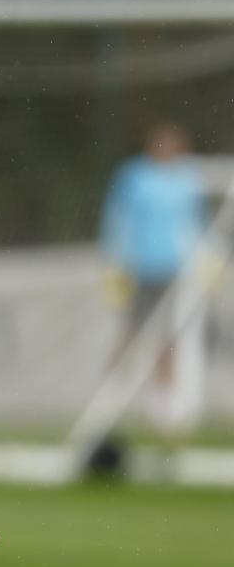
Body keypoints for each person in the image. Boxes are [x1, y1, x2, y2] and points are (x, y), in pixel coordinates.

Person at [99, 122, 206, 439]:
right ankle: (110, 394)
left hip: (173, 270)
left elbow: (195, 222)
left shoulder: (187, 179)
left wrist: (203, 258)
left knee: (168, 338)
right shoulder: (135, 175)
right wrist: (114, 261)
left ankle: (163, 407)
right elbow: (117, 217)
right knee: (130, 332)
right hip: (138, 268)